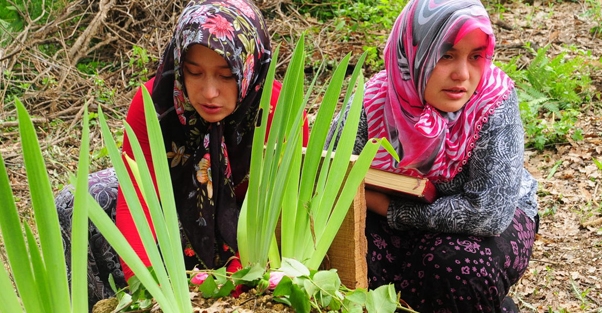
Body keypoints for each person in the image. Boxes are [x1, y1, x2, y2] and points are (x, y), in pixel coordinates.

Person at [55, 0, 308, 308]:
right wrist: (150, 289)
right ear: (178, 65)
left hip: (250, 231)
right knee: (80, 199)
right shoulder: (155, 106)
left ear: (250, 65)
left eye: (226, 75)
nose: (209, 92)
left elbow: (286, 210)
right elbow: (138, 201)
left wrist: (239, 283)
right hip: (177, 210)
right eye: (194, 72)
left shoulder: (277, 111)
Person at [327, 0, 538, 312]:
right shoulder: (374, 99)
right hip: (397, 215)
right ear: (412, 52)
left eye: (476, 57)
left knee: (455, 268)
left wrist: (389, 209)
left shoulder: (493, 100)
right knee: (350, 260)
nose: (462, 74)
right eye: (446, 55)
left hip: (483, 224)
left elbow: (489, 213)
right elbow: (329, 173)